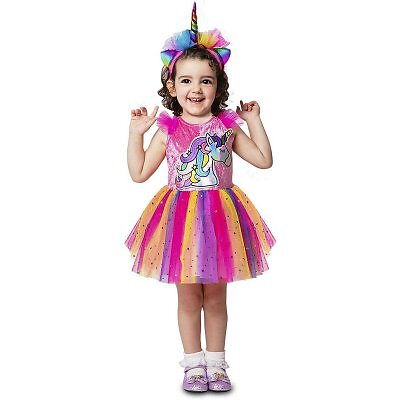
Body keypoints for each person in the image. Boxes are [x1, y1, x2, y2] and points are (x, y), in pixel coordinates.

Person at [125, 2, 276, 392]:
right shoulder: (168, 130)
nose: (196, 89)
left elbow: (263, 160)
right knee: (190, 298)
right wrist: (135, 134)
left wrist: (254, 120)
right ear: (172, 86)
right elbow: (139, 173)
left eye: (206, 81)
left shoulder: (227, 126)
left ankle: (217, 364)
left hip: (222, 220)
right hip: (179, 221)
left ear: (218, 86)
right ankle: (193, 365)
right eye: (187, 81)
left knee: (217, 299)